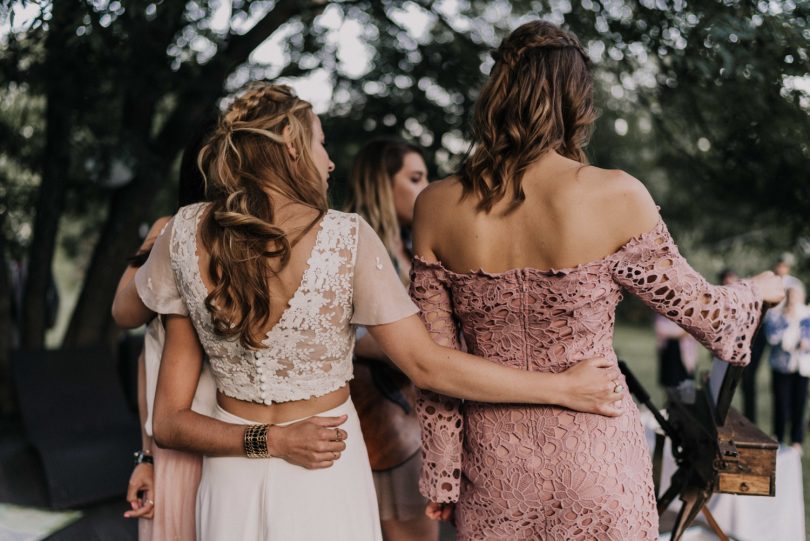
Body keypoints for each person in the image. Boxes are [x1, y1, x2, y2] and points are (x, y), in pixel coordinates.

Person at [119, 82, 630, 541]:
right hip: (325, 467)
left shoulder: (185, 233)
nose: (331, 162)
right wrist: (562, 387)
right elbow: (427, 364)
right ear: (292, 146)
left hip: (230, 474)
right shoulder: (346, 237)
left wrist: (265, 441)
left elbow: (169, 421)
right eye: (322, 143)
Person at [409, 20, 785, 539]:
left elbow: (433, 370)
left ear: (495, 91)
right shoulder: (617, 196)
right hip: (598, 461)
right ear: (576, 101)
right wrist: (757, 290)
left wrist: (445, 477)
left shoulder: (433, 206)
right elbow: (709, 318)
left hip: (495, 472)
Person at [112, 127, 217, 540]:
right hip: (176, 448)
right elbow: (128, 319)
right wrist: (147, 456)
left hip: (236, 442)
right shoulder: (169, 230)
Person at [345, 139, 436, 541]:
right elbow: (348, 335)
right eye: (415, 178)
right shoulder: (352, 246)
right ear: (382, 184)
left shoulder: (410, 245)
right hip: (384, 421)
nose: (426, 188)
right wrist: (424, 351)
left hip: (415, 415)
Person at [744, 255, 803, 422]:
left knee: (782, 375)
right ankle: (750, 417)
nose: (780, 268)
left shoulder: (794, 284)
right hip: (763, 328)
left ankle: (785, 422)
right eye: (779, 264)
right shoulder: (768, 280)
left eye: (784, 265)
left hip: (783, 331)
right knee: (750, 370)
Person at [764, 285, 810, 450]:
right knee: (781, 403)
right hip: (781, 366)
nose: (793, 300)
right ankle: (779, 436)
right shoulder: (776, 315)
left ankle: (796, 440)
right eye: (790, 296)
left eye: (796, 296)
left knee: (799, 404)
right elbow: (773, 338)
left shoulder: (806, 314)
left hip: (802, 366)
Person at [654, 314, 698, 389]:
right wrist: (682, 332)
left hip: (686, 354)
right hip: (669, 352)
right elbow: (661, 329)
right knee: (670, 386)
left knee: (686, 386)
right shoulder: (662, 314)